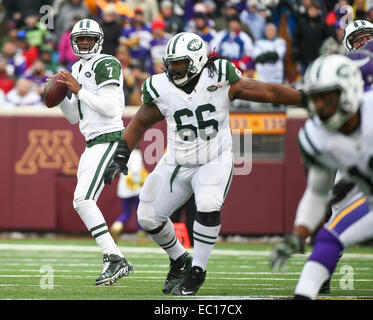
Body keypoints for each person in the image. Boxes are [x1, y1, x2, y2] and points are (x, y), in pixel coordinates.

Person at [103, 32, 306, 296]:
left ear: (197, 61)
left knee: (209, 204)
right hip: (176, 160)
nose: (173, 68)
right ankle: (179, 259)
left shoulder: (220, 76)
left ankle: (197, 269)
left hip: (214, 158)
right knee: (148, 217)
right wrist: (122, 153)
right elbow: (141, 120)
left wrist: (304, 98)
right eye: (170, 63)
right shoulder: (160, 86)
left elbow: (267, 91)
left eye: (179, 63)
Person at [271, 53, 373, 300]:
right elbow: (317, 192)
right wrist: (300, 232)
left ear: (348, 90)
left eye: (326, 97)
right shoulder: (316, 136)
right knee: (329, 238)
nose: (319, 106)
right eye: (315, 98)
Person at [51, 18, 133, 286]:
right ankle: (115, 257)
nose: (84, 43)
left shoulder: (107, 63)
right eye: (80, 39)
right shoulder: (76, 66)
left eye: (89, 39)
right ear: (74, 42)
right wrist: (60, 96)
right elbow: (75, 117)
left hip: (109, 139)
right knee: (81, 201)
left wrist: (79, 90)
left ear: (98, 40)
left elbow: (111, 108)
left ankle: (114, 257)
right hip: (92, 142)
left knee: (83, 199)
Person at [110, 147, 148, 244]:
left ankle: (116, 227)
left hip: (123, 188)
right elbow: (136, 169)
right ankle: (141, 236)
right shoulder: (136, 153)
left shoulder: (121, 153)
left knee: (126, 213)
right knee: (140, 212)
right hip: (136, 187)